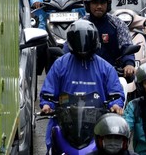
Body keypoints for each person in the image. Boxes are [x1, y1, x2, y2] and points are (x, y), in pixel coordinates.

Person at [40, 20, 125, 151]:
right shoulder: (60, 65)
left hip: (96, 123)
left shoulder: (106, 68)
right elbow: (48, 92)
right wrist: (47, 105)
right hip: (65, 123)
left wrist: (115, 105)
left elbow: (116, 93)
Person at [80, 0, 136, 76]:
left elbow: (126, 46)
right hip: (85, 73)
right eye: (95, 3)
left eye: (102, 3)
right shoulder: (80, 24)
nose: (99, 6)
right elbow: (69, 48)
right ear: (87, 5)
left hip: (113, 73)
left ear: (108, 4)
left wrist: (129, 64)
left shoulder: (117, 23)